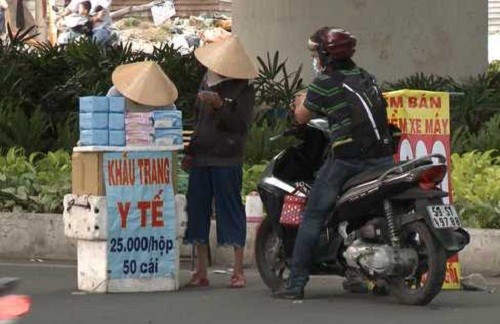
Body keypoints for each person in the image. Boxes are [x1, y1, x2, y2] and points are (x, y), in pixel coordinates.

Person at [274, 27, 395, 300]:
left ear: (325, 54)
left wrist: (301, 100)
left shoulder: (325, 82)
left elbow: (301, 116)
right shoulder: (366, 77)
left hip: (349, 161)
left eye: (315, 52)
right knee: (363, 212)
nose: (314, 58)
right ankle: (364, 274)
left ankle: (295, 283)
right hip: (384, 157)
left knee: (313, 215)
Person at [182, 36, 257, 289]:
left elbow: (239, 126)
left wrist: (221, 106)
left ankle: (237, 270)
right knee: (197, 210)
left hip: (227, 157)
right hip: (202, 156)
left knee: (230, 210)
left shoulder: (243, 89)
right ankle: (201, 270)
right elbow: (198, 122)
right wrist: (190, 151)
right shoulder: (206, 81)